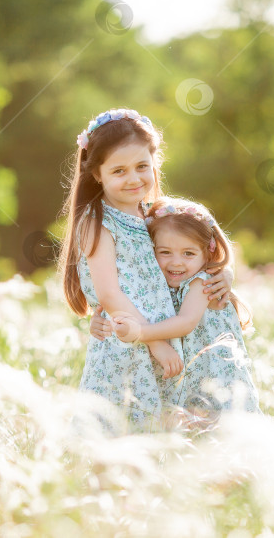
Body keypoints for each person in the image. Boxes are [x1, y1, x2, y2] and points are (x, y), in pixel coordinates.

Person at [57, 108, 232, 429]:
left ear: (155, 163)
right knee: (122, 427)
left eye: (142, 166)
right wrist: (154, 343)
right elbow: (110, 293)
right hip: (129, 345)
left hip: (164, 336)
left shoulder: (158, 215)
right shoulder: (97, 222)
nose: (134, 178)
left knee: (164, 432)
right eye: (119, 171)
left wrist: (224, 272)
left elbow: (192, 258)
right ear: (97, 174)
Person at [107, 197, 261, 415]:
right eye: (165, 252)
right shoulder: (157, 286)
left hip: (213, 375)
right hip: (186, 376)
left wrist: (141, 333)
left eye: (188, 253)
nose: (176, 262)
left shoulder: (202, 282)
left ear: (208, 252)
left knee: (219, 424)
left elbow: (186, 322)